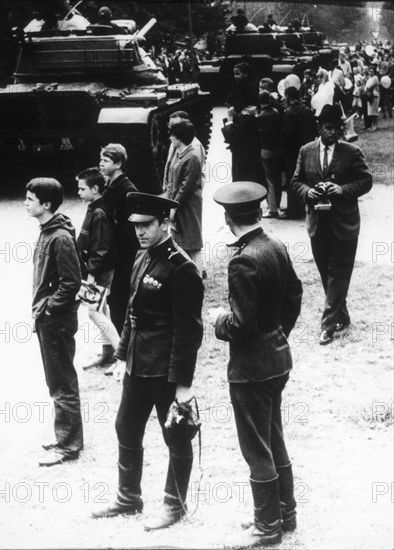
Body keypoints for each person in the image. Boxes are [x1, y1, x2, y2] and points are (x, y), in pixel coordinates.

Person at [92, 192, 204, 531]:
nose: (140, 232)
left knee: (175, 434)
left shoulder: (181, 267)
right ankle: (128, 498)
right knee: (125, 426)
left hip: (165, 365)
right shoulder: (142, 257)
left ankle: (175, 504)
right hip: (138, 361)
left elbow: (189, 331)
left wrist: (183, 385)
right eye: (136, 225)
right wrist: (122, 355)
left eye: (147, 225)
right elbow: (131, 312)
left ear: (165, 223)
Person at [208, 181, 303, 549]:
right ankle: (285, 512)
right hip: (276, 359)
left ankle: (267, 527)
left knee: (256, 446)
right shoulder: (275, 245)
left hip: (252, 368)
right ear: (260, 212)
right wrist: (277, 332)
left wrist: (218, 318)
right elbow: (294, 295)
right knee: (273, 436)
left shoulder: (244, 259)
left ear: (228, 218)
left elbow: (240, 325)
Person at [290, 104, 372, 345]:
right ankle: (341, 314)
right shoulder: (306, 151)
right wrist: (308, 192)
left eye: (337, 129)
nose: (332, 133)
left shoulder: (352, 152)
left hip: (344, 224)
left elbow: (366, 180)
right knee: (326, 273)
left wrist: (342, 189)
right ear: (319, 128)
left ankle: (327, 326)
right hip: (317, 224)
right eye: (328, 128)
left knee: (338, 273)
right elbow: (296, 181)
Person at [24, 178, 83, 467]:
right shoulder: (49, 230)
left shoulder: (58, 237)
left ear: (46, 204)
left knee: (62, 381)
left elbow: (71, 282)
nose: (25, 202)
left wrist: (49, 309)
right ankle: (64, 436)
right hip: (49, 319)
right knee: (56, 379)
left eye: (30, 198)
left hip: (55, 321)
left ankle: (69, 444)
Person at [76, 167, 120, 372]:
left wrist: (91, 275)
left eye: (82, 188)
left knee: (94, 312)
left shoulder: (100, 212)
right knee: (101, 310)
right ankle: (108, 354)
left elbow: (101, 248)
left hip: (99, 271)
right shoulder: (95, 207)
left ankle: (121, 356)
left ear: (95, 189)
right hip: (95, 270)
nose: (78, 192)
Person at [99, 143, 139, 335]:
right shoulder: (110, 185)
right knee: (107, 300)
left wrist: (111, 241)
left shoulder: (126, 189)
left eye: (106, 161)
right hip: (112, 252)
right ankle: (112, 347)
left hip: (123, 254)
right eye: (101, 160)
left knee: (119, 299)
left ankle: (121, 346)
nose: (101, 164)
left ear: (118, 164)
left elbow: (131, 224)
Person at [163, 120, 204, 270]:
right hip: (179, 204)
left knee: (191, 240)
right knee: (179, 238)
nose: (170, 138)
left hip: (188, 206)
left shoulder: (191, 156)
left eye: (172, 135)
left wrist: (174, 205)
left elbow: (186, 186)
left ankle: (198, 272)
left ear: (180, 137)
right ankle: (184, 270)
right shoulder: (179, 153)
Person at [280, 86, 317, 219]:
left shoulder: (289, 113)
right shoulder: (307, 111)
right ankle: (304, 205)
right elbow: (314, 130)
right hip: (308, 149)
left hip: (293, 151)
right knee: (304, 178)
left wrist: (282, 151)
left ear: (288, 97)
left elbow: (287, 135)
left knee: (293, 179)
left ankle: (293, 210)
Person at [257, 90, 282, 218]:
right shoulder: (276, 113)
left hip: (265, 149)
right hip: (276, 149)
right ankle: (276, 204)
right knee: (276, 177)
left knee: (269, 180)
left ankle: (272, 208)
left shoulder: (260, 117)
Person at [364, 66, 380, 131]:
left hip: (374, 95)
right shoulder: (369, 78)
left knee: (374, 112)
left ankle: (375, 125)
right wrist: (366, 89)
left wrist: (367, 88)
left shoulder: (375, 78)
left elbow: (370, 86)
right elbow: (366, 87)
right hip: (369, 95)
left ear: (374, 72)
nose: (370, 72)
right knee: (371, 112)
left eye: (372, 71)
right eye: (370, 71)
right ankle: (372, 125)